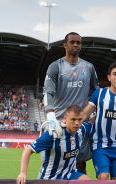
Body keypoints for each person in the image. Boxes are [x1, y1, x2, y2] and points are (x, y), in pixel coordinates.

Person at [43, 32, 99, 175]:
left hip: (79, 123)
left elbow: (96, 93)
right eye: (72, 42)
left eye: (78, 42)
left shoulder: (89, 67)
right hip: (59, 124)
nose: (75, 45)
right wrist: (50, 116)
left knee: (80, 163)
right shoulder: (55, 66)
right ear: (65, 44)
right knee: (53, 163)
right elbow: (48, 92)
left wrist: (92, 113)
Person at [16, 105, 92, 184]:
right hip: (50, 178)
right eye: (73, 119)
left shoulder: (82, 129)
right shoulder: (53, 135)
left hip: (70, 174)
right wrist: (23, 173)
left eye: (79, 119)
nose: (77, 123)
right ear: (65, 119)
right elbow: (28, 150)